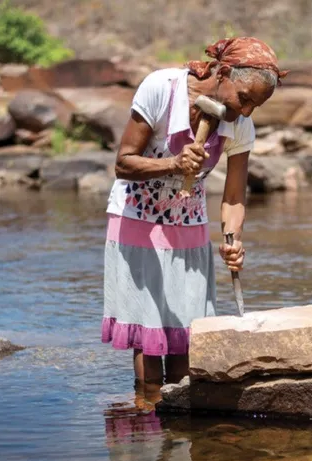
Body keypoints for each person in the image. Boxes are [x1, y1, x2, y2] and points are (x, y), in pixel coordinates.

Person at [101, 37, 287, 403]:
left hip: (189, 225)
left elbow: (233, 196)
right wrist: (173, 163)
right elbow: (123, 163)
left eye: (255, 105)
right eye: (244, 98)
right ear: (224, 72)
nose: (246, 111)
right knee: (150, 345)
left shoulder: (239, 125)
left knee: (186, 345)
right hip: (136, 220)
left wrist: (232, 239)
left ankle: (179, 430)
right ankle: (146, 421)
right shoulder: (162, 88)